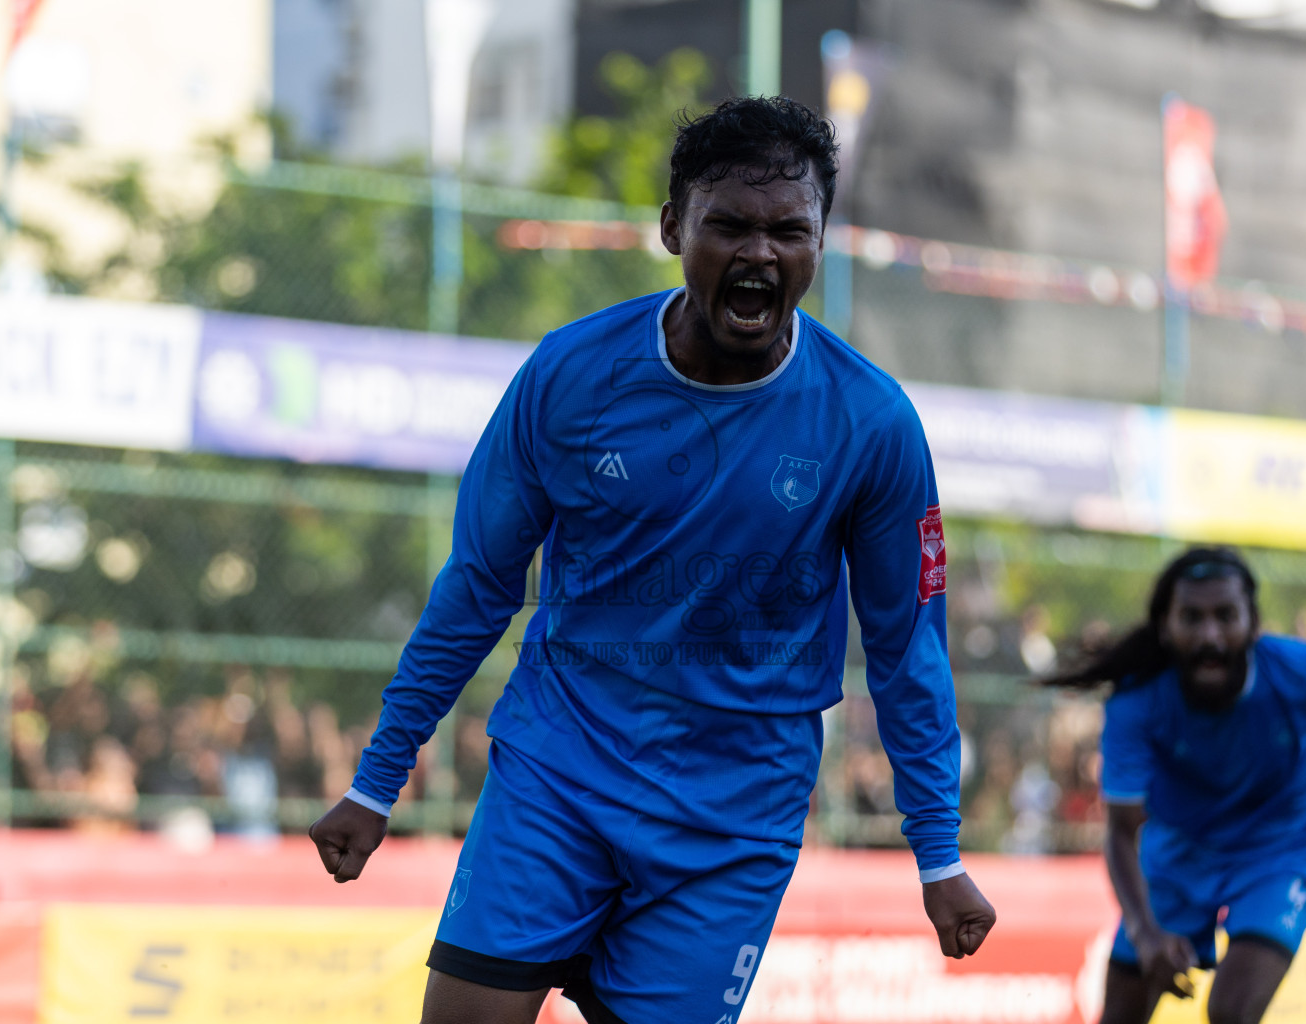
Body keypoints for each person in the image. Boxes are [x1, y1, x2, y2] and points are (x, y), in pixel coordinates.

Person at [308, 96, 994, 1024]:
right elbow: (477, 586)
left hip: (731, 821)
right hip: (561, 776)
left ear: (822, 241)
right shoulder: (570, 376)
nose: (760, 254)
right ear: (675, 227)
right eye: (730, 226)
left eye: (790, 230)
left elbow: (909, 650)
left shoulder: (869, 424)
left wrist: (939, 854)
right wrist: (376, 778)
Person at [1044, 547, 1306, 1024]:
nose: (1210, 635)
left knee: (1230, 1012)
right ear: (1166, 628)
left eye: (1225, 616)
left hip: (1282, 854)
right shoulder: (1136, 703)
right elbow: (1121, 833)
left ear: (1254, 624)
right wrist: (1147, 935)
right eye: (1192, 617)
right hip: (1178, 860)